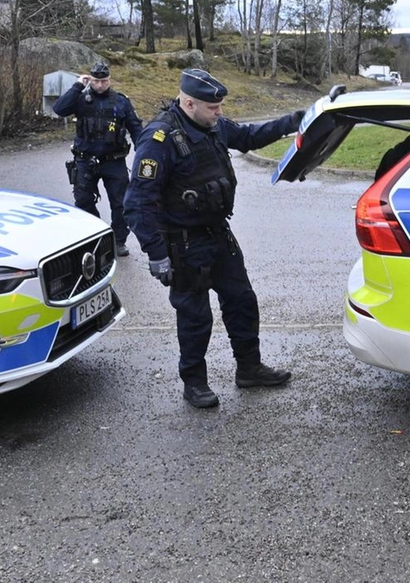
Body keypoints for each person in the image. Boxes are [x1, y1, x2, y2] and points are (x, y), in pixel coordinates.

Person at [124, 68, 305, 409]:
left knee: (242, 301)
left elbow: (250, 136)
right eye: (213, 107)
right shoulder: (159, 140)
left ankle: (249, 368)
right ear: (189, 103)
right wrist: (156, 253)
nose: (220, 113)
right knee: (195, 318)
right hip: (184, 244)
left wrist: (297, 120)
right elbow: (137, 203)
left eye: (220, 107)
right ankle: (194, 383)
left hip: (218, 233)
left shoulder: (211, 125)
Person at [53, 62, 143, 257]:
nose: (100, 85)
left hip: (114, 161)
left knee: (121, 203)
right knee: (83, 200)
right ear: (90, 80)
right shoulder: (80, 99)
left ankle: (119, 240)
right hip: (85, 160)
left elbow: (136, 128)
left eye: (103, 81)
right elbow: (59, 110)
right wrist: (77, 86)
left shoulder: (121, 102)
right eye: (95, 81)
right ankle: (95, 236)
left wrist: (144, 153)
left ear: (109, 80)